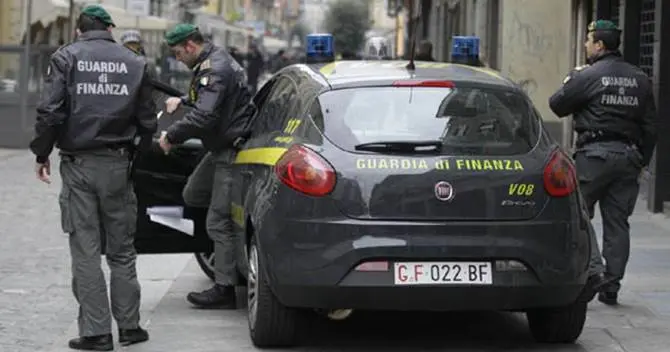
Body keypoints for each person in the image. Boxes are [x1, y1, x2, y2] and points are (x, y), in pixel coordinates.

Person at [29, 5, 156, 351]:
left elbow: (51, 111)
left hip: (79, 164)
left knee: (85, 249)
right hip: (118, 164)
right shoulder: (134, 62)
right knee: (122, 251)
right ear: (111, 27)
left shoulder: (66, 57)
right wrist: (137, 157)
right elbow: (148, 121)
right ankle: (130, 328)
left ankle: (97, 333)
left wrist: (42, 152)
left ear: (78, 30)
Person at [548, 20, 657, 305]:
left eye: (588, 40)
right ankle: (612, 283)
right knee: (618, 222)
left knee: (579, 215)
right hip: (628, 157)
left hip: (593, 157)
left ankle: (594, 271)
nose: (585, 45)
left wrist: (572, 77)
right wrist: (641, 161)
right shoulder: (640, 78)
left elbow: (557, 104)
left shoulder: (588, 75)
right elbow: (651, 127)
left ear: (599, 45)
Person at [160, 24, 255, 309]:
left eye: (178, 53)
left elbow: (204, 116)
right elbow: (213, 100)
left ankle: (224, 287)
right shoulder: (212, 63)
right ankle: (227, 244)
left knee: (218, 221)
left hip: (230, 151)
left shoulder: (215, 68)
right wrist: (185, 99)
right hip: (218, 148)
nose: (177, 58)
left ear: (190, 46)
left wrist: (172, 136)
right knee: (192, 194)